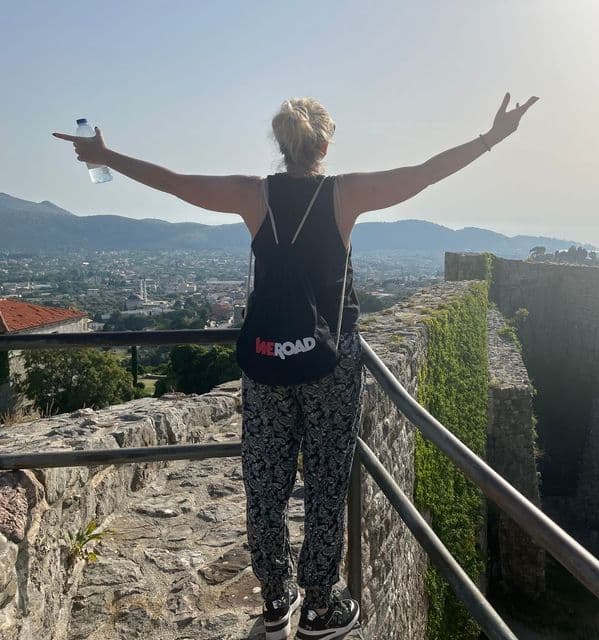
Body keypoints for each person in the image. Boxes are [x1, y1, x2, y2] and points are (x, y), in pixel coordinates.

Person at [53, 91, 538, 640]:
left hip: (266, 358)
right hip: (331, 360)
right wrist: (492, 137)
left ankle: (275, 600)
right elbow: (425, 173)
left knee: (265, 483)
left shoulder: (252, 195)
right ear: (324, 145)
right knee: (327, 483)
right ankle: (319, 607)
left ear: (282, 146)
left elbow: (174, 182)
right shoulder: (344, 194)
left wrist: (106, 156)